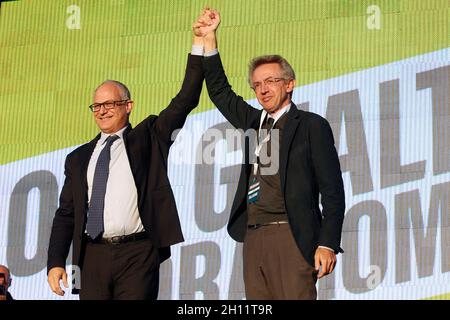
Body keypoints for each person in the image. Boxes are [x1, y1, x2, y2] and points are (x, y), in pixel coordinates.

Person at [193, 9, 345, 299]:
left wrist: (327, 243)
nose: (263, 90)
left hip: (292, 235)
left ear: (289, 84)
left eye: (271, 82)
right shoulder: (253, 122)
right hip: (253, 236)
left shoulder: (312, 126)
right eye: (257, 84)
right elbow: (220, 92)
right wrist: (209, 40)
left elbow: (333, 191)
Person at [47, 33, 205, 300]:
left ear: (128, 106)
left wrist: (200, 46)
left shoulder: (148, 138)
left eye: (110, 103)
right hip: (91, 255)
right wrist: (55, 262)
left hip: (138, 252)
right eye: (96, 105)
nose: (102, 111)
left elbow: (185, 100)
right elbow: (66, 214)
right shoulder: (77, 158)